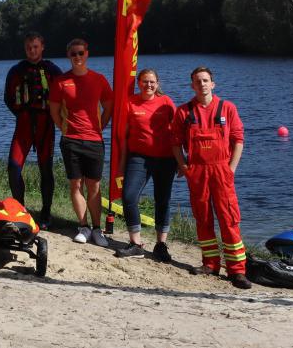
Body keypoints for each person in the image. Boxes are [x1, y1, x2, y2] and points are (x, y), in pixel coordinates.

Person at [171, 66, 250, 289]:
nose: (202, 84)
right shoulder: (184, 112)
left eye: (205, 80)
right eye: (198, 81)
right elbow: (175, 144)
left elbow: (238, 140)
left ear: (212, 84)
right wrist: (184, 167)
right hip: (197, 171)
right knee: (203, 218)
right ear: (192, 86)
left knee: (229, 218)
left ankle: (237, 271)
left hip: (222, 170)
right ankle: (210, 264)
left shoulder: (228, 108)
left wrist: (231, 168)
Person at [48, 38, 113, 247]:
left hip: (94, 140)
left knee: (94, 185)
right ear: (68, 56)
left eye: (81, 53)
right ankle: (83, 226)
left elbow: (109, 106)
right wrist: (65, 130)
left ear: (87, 54)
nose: (77, 57)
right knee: (75, 184)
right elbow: (55, 112)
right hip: (71, 141)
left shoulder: (99, 79)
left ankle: (97, 229)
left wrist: (99, 128)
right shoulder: (60, 82)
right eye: (73, 53)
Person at [115, 68, 177, 262]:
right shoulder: (130, 102)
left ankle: (160, 245)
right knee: (128, 196)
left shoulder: (166, 102)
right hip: (139, 158)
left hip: (166, 159)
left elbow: (178, 132)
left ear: (157, 84)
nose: (148, 85)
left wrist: (182, 160)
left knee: (162, 200)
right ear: (138, 83)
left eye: (152, 82)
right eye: (144, 81)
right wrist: (120, 165)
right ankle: (136, 244)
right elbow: (123, 138)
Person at [3, 32, 63, 227]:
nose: (32, 50)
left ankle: (46, 213)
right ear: (25, 48)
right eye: (29, 47)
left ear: (42, 47)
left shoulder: (53, 70)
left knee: (46, 170)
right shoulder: (16, 70)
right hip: (24, 124)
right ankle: (20, 209)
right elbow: (8, 98)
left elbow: (64, 97)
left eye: (35, 47)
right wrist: (22, 115)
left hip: (46, 124)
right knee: (13, 168)